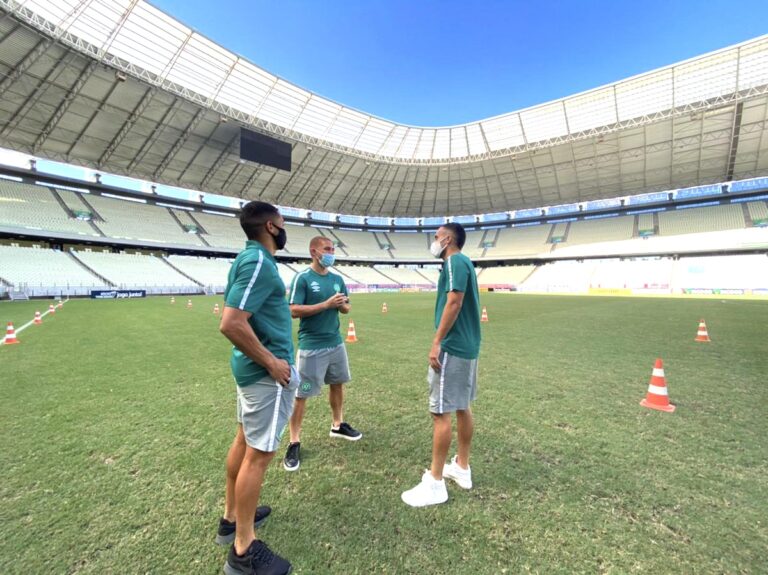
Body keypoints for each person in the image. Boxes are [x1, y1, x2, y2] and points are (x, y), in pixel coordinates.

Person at [218, 201, 297, 575]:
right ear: (270, 226)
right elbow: (231, 322)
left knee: (244, 441)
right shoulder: (259, 262)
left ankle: (231, 519)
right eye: (282, 222)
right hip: (266, 375)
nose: (284, 228)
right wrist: (272, 362)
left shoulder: (249, 258)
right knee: (259, 454)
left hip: (253, 372)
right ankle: (243, 548)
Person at [401, 222, 481, 507]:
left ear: (447, 240)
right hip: (468, 346)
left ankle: (435, 483)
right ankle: (462, 468)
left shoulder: (454, 262)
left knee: (440, 412)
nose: (433, 242)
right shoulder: (465, 263)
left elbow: (454, 302)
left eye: (436, 237)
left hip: (453, 346)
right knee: (462, 406)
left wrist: (437, 341)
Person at [283, 236, 361, 472]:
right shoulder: (303, 278)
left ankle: (337, 425)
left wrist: (341, 305)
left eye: (333, 249)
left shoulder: (337, 279)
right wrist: (325, 305)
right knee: (303, 392)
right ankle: (294, 441)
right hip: (312, 348)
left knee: (337, 383)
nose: (331, 253)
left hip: (336, 344)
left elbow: (346, 308)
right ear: (313, 252)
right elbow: (293, 310)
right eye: (327, 249)